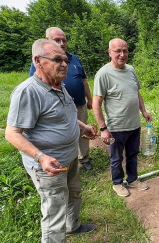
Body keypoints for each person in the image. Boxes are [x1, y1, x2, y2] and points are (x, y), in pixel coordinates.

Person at [6, 39, 96, 243]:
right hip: (49, 164)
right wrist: (41, 157)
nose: (64, 64)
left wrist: (81, 126)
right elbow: (12, 134)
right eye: (57, 60)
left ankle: (72, 225)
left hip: (69, 156)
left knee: (74, 193)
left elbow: (62, 116)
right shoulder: (28, 92)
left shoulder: (59, 84)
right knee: (54, 208)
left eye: (65, 59)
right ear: (38, 61)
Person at [93, 38, 152, 197]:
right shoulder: (103, 74)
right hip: (116, 127)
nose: (122, 54)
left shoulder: (131, 70)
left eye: (125, 51)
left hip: (134, 124)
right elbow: (96, 104)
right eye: (118, 51)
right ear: (109, 52)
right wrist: (103, 129)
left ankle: (132, 179)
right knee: (117, 158)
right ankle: (117, 183)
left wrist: (144, 111)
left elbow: (136, 92)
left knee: (133, 154)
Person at [29, 27, 94, 171]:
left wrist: (89, 98)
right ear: (47, 40)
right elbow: (37, 85)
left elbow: (83, 80)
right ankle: (65, 160)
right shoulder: (41, 62)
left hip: (78, 104)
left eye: (63, 40)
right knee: (64, 131)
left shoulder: (74, 58)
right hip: (56, 107)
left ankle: (83, 158)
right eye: (57, 40)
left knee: (83, 130)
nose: (61, 43)